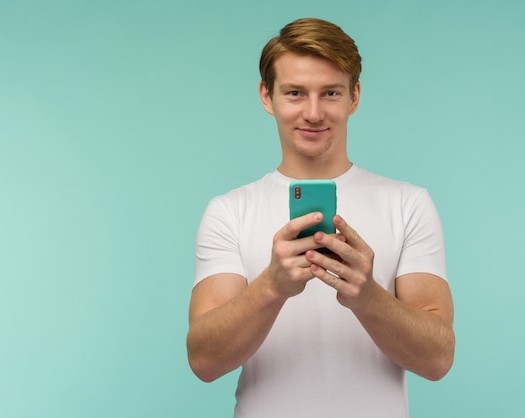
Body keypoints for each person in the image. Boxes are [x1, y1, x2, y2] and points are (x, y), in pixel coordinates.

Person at [186, 17, 455, 418]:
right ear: (267, 95)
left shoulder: (408, 203)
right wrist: (272, 287)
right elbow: (204, 361)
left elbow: (437, 359)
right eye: (295, 92)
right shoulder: (229, 211)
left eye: (330, 92)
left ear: (354, 97)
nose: (313, 113)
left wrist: (367, 297)